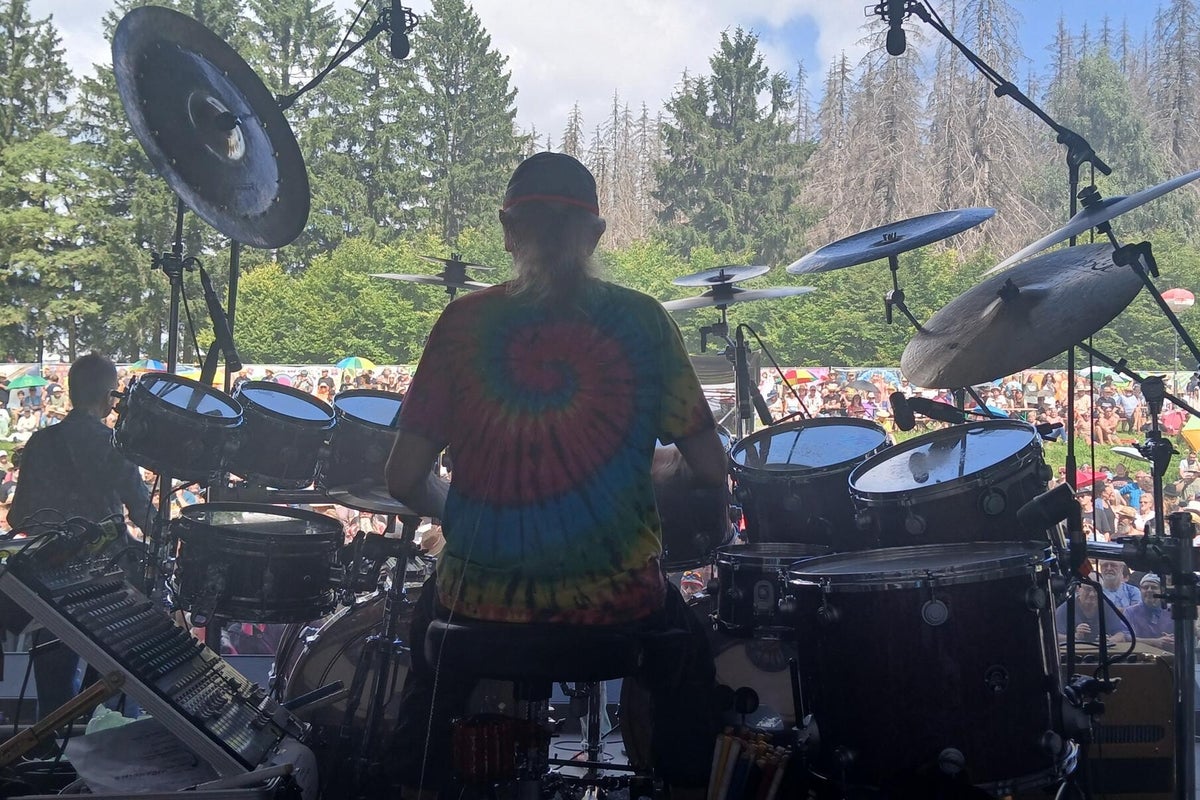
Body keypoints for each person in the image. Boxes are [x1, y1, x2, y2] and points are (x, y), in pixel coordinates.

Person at [384, 152, 727, 798]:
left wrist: (470, 510)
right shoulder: (644, 321)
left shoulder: (462, 324)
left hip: (478, 602)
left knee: (428, 672)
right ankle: (684, 786)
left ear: (507, 231)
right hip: (617, 606)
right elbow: (708, 467)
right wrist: (630, 477)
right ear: (595, 236)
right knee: (688, 659)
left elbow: (403, 477)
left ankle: (416, 781)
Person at [6, 353, 156, 717]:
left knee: (54, 700)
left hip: (48, 585)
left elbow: (18, 515)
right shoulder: (113, 444)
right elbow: (145, 515)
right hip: (107, 584)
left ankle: (51, 747)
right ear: (109, 397)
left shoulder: (40, 442)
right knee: (111, 693)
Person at [1055, 582, 1126, 647]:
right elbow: (1055, 637)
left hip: (1103, 652)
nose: (1092, 594)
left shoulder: (1107, 607)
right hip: (1075, 653)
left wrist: (1109, 640)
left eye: (1096, 590)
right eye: (1088, 589)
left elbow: (1120, 634)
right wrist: (1075, 636)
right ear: (1079, 589)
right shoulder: (1066, 608)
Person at [1124, 573, 1174, 651]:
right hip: (1140, 655)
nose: (1149, 590)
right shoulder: (1130, 612)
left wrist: (1172, 639)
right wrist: (1154, 642)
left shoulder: (1172, 611)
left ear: (1162, 591)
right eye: (1145, 587)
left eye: (1154, 587)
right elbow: (1127, 637)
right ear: (1140, 590)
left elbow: (1185, 634)